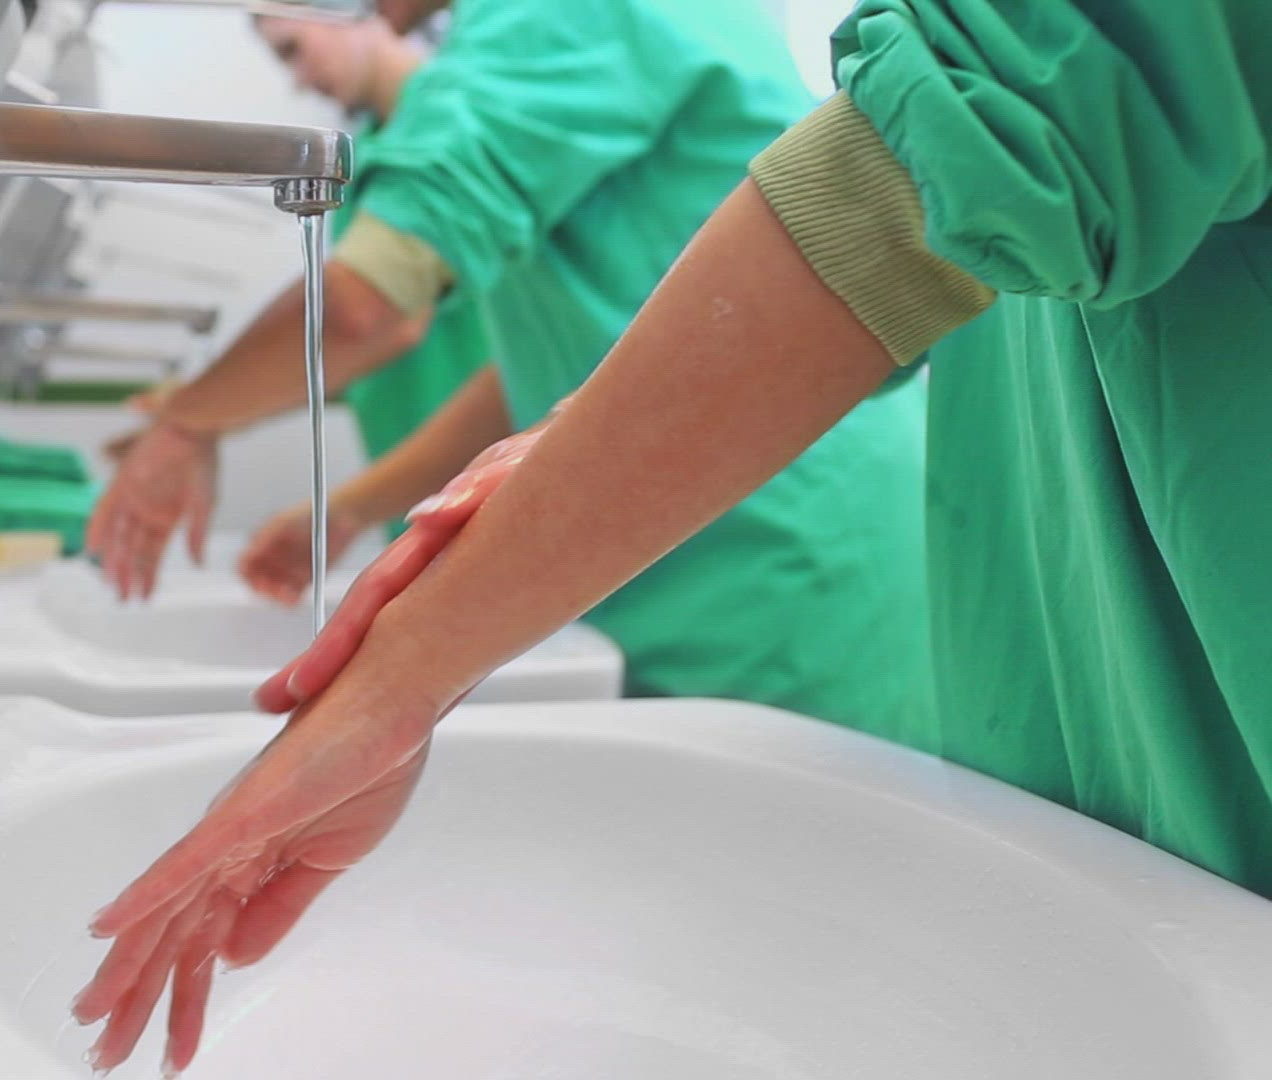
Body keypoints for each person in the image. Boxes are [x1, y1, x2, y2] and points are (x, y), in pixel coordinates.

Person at [75, 0, 1272, 1074]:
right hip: (951, 579)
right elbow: (617, 335)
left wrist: (400, 672)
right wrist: (502, 490)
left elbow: (916, 185)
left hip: (785, 561)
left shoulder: (563, 19)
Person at [88, 0, 930, 751]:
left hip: (771, 551)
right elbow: (544, 381)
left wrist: (184, 423)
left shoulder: (558, 13)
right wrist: (349, 508)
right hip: (715, 542)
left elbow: (367, 306)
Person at [236, 12, 492, 585]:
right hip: (421, 497)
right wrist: (219, 414)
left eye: (293, 49)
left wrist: (190, 421)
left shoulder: (459, 120)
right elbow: (354, 356)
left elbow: (371, 320)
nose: (299, 78)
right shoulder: (367, 157)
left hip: (492, 488)